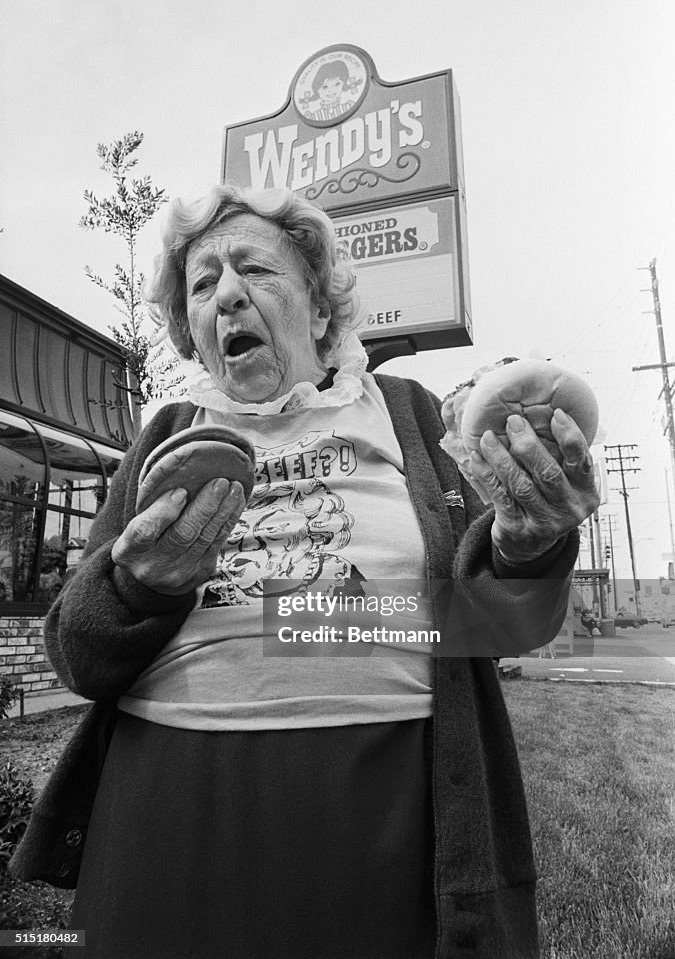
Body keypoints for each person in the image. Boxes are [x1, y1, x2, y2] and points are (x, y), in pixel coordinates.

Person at [10, 184, 599, 959]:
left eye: (255, 269)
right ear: (192, 333)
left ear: (320, 311)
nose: (227, 294)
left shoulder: (414, 416)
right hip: (165, 812)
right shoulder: (169, 434)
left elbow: (496, 630)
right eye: (202, 284)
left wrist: (526, 547)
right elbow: (79, 657)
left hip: (388, 811)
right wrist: (139, 585)